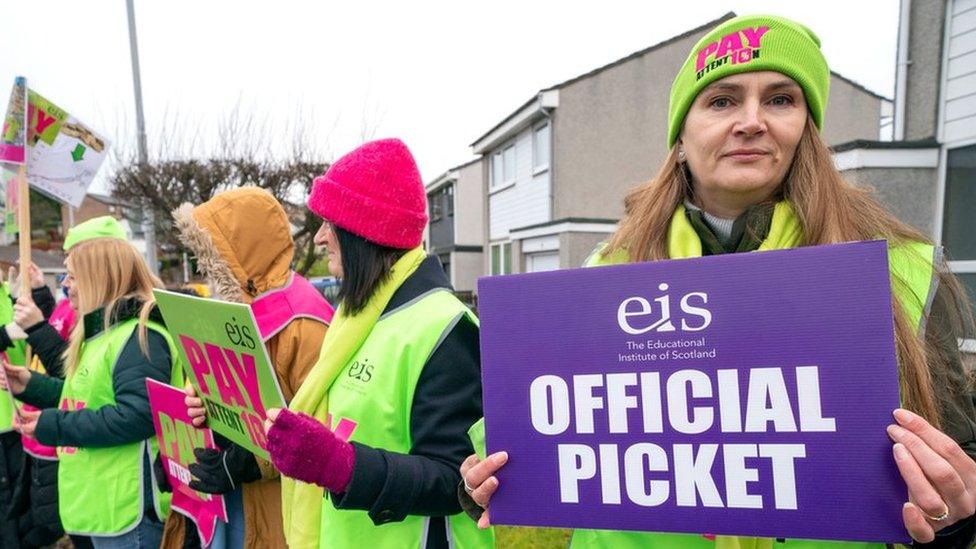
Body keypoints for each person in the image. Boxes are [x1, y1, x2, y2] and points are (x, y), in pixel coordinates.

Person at [459, 14, 976, 548]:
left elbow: (955, 471)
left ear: (806, 130)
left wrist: (958, 518)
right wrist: (491, 472)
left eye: (780, 99)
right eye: (722, 100)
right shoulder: (605, 273)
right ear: (680, 137)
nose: (752, 121)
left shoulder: (898, 273)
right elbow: (548, 426)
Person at [229, 138, 491, 549]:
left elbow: (457, 482)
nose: (318, 238)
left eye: (329, 223)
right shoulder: (357, 318)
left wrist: (345, 468)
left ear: (363, 233)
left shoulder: (446, 326)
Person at [161, 186, 333, 549]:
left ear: (242, 252)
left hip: (282, 509)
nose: (209, 267)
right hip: (239, 500)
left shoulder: (305, 322)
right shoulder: (238, 310)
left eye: (213, 255)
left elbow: (324, 428)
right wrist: (205, 409)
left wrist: (248, 463)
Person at [2, 233, 183, 548]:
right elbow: (88, 397)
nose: (65, 285)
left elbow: (137, 416)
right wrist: (32, 386)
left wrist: (54, 426)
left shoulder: (139, 335)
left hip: (129, 507)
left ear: (100, 277)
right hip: (107, 503)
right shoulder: (105, 334)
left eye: (72, 276)